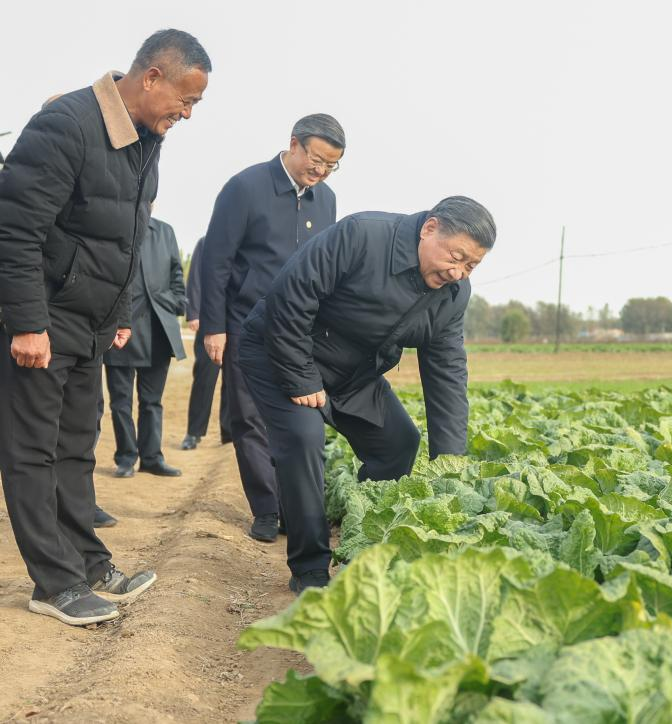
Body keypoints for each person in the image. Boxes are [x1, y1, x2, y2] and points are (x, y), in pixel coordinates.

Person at [0, 29, 211, 626]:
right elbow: (15, 231)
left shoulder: (147, 137)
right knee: (32, 453)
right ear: (152, 79)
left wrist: (117, 317)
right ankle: (53, 583)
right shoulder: (66, 124)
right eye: (185, 100)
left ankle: (90, 562)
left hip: (91, 325)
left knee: (75, 448)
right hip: (44, 320)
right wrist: (26, 323)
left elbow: (128, 237)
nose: (187, 114)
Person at [239, 196, 495, 593]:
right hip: (282, 350)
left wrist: (451, 463)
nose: (458, 272)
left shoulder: (452, 296)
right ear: (430, 228)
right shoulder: (363, 235)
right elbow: (291, 296)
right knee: (303, 439)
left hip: (355, 373)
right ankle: (309, 567)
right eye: (456, 256)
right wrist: (303, 378)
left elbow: (446, 373)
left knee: (399, 443)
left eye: (471, 266)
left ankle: (366, 540)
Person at [200, 114, 344, 543]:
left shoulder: (327, 200)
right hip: (246, 324)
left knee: (299, 419)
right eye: (316, 159)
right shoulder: (245, 187)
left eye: (331, 165)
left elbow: (328, 268)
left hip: (301, 332)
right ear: (294, 144)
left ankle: (293, 506)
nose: (320, 171)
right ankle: (266, 509)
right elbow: (216, 261)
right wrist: (214, 326)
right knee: (249, 419)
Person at [103, 213, 187, 478]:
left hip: (157, 329)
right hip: (120, 329)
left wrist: (174, 301)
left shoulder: (165, 231)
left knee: (152, 401)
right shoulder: (113, 226)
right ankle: (126, 457)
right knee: (121, 402)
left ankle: (151, 457)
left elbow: (176, 272)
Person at [181, 236, 231, 450]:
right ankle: (194, 433)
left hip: (238, 322)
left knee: (234, 382)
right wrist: (193, 313)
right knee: (204, 378)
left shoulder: (250, 240)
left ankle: (229, 433)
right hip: (211, 322)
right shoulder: (206, 241)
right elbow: (195, 278)